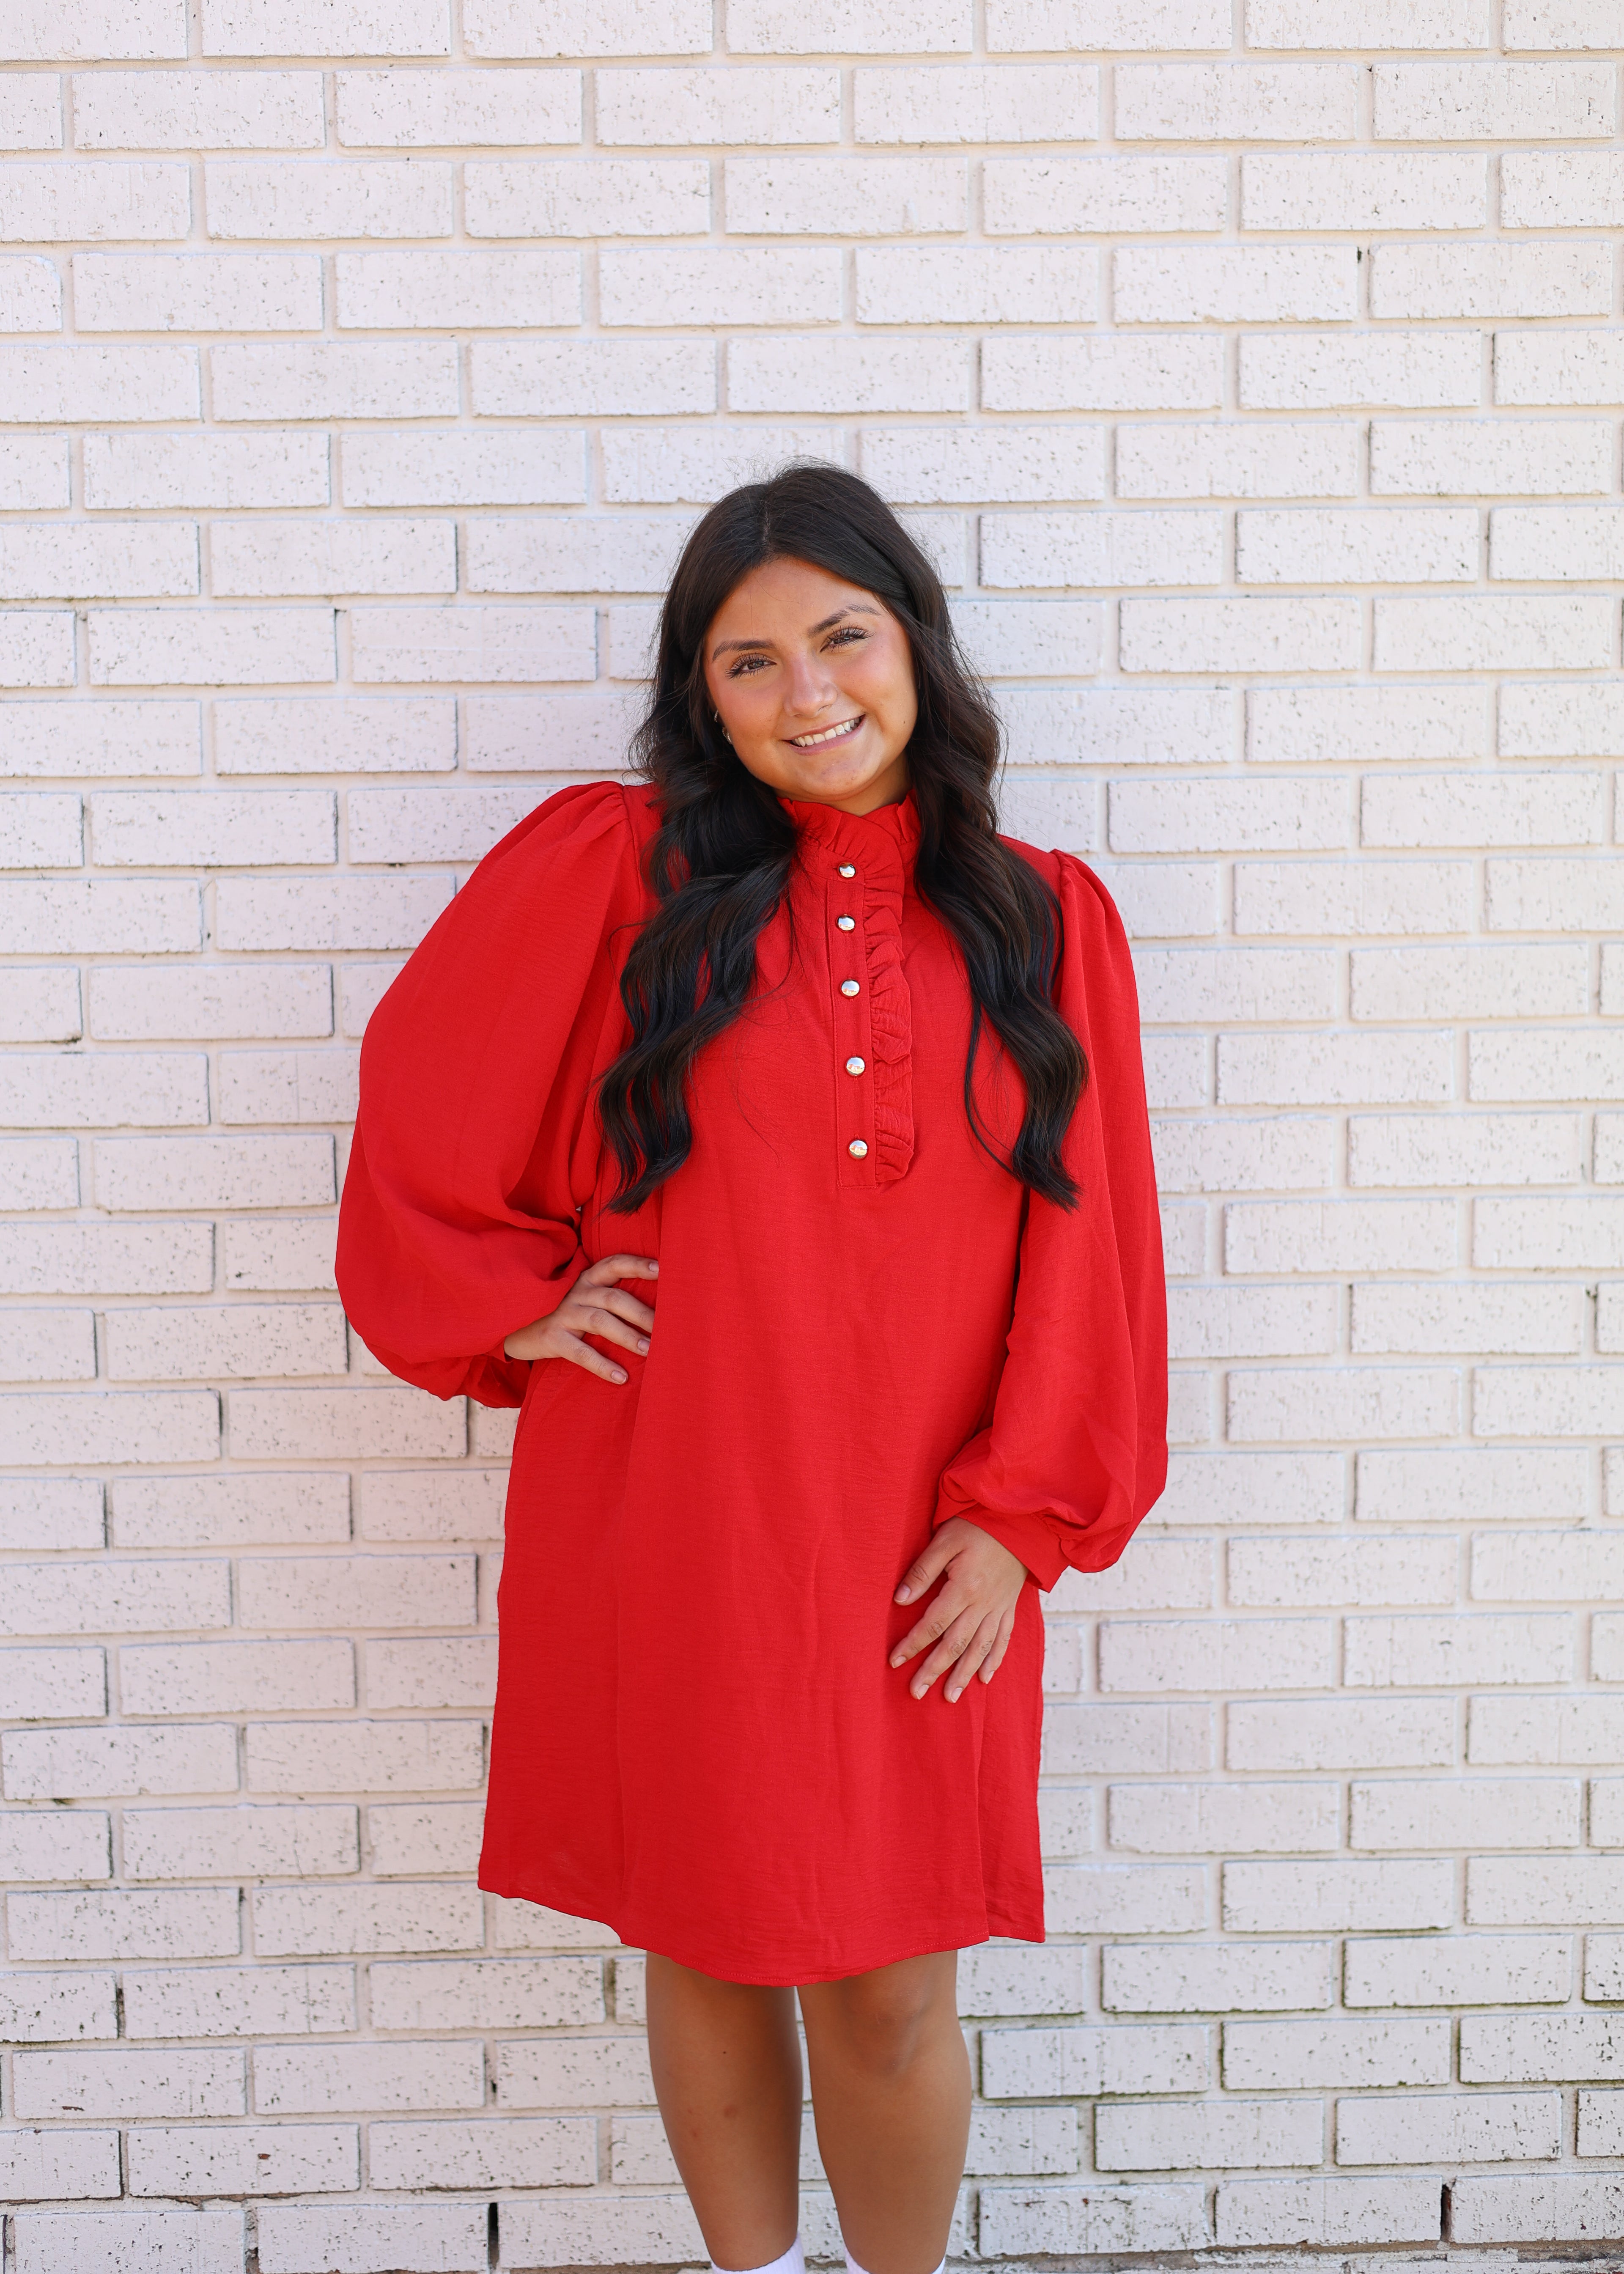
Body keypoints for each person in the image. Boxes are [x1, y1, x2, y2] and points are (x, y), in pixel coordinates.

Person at [335, 463, 1167, 2274]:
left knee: (890, 1979)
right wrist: (510, 1298)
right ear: (697, 695)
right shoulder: (612, 875)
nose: (808, 696)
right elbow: (418, 1091)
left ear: (916, 650)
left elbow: (1091, 1258)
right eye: (747, 662)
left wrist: (1020, 1521)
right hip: (673, 1499)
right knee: (705, 1933)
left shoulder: (1047, 920)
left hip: (919, 1535)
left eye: (842, 640)